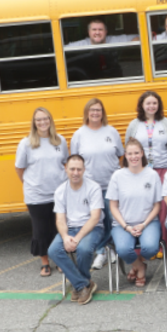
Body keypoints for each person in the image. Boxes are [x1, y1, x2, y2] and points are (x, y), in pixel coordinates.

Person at [14, 107, 70, 277]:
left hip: (58, 193)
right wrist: (29, 184)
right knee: (41, 230)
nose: (42, 122)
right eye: (38, 119)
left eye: (45, 118)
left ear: (50, 120)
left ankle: (60, 259)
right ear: (34, 123)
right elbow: (19, 168)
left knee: (58, 227)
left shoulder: (60, 141)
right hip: (36, 195)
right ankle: (45, 262)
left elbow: (65, 163)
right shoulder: (27, 143)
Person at [70, 98, 123, 270]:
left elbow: (120, 156)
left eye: (98, 110)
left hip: (112, 185)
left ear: (103, 112)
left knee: (112, 219)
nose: (95, 113)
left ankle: (110, 249)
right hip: (91, 187)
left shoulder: (111, 131)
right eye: (92, 110)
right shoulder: (79, 134)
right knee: (98, 221)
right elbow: (75, 162)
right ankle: (101, 251)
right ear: (87, 113)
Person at [47, 155, 103, 305]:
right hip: (70, 229)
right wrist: (65, 237)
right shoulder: (60, 191)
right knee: (53, 250)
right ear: (66, 169)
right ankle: (83, 284)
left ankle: (80, 285)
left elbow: (95, 218)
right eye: (72, 169)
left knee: (84, 249)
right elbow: (60, 219)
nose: (75, 172)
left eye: (79, 169)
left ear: (84, 170)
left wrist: (76, 239)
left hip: (92, 228)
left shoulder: (93, 188)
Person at [107, 139, 163, 286]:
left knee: (150, 247)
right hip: (123, 224)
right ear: (125, 155)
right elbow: (113, 206)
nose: (134, 157)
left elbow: (157, 205)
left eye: (137, 153)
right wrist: (126, 226)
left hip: (148, 222)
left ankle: (137, 265)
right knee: (123, 249)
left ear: (142, 153)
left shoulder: (152, 175)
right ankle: (139, 267)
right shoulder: (117, 176)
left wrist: (144, 225)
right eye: (130, 153)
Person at [124, 90, 167, 225]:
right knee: (145, 204)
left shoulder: (166, 123)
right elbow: (128, 146)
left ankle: (165, 241)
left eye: (154, 103)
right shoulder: (134, 125)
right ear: (142, 105)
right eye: (148, 103)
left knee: (164, 205)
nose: (151, 106)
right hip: (142, 171)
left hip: (164, 170)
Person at [66, 17, 135, 46]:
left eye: (100, 29)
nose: (97, 32)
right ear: (88, 32)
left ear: (106, 31)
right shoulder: (83, 44)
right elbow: (64, 48)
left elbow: (140, 37)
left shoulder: (113, 40)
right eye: (94, 30)